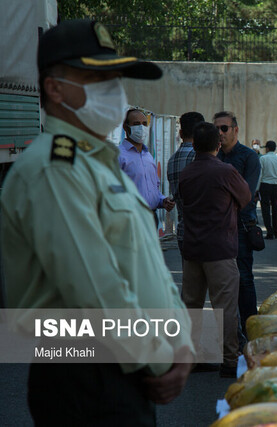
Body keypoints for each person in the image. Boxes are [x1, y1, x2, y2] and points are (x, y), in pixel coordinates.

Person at [0, 19, 194, 424]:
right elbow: (95, 288)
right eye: (97, 79)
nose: (115, 93)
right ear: (54, 88)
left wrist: (182, 341)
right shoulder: (56, 169)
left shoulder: (98, 163)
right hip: (86, 371)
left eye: (116, 80)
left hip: (126, 364)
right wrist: (161, 358)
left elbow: (147, 269)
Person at [179, 122, 252, 377]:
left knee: (191, 306)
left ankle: (192, 358)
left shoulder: (186, 173)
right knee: (225, 308)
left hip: (192, 248)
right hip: (220, 248)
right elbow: (245, 198)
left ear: (193, 145)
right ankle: (229, 361)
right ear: (218, 145)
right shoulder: (226, 171)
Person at [214, 111, 261, 343]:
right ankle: (229, 338)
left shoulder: (249, 157)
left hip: (241, 227)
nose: (220, 134)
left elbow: (248, 195)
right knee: (219, 285)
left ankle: (251, 330)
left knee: (244, 280)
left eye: (224, 128)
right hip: (217, 229)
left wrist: (219, 202)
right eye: (217, 129)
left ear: (235, 130)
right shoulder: (213, 156)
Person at [119, 108, 175, 227]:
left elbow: (153, 188)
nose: (141, 128)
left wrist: (162, 201)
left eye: (144, 124)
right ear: (125, 127)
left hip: (151, 218)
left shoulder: (147, 156)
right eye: (136, 124)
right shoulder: (119, 156)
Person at [167, 111, 205, 257]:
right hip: (203, 234)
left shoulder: (172, 160)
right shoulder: (199, 157)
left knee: (190, 278)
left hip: (184, 231)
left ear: (181, 133)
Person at [258, 140, 277, 239]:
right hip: (276, 186)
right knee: (275, 208)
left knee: (265, 209)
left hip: (265, 185)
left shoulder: (263, 159)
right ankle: (276, 231)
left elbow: (260, 175)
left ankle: (269, 231)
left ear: (267, 148)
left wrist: (256, 189)